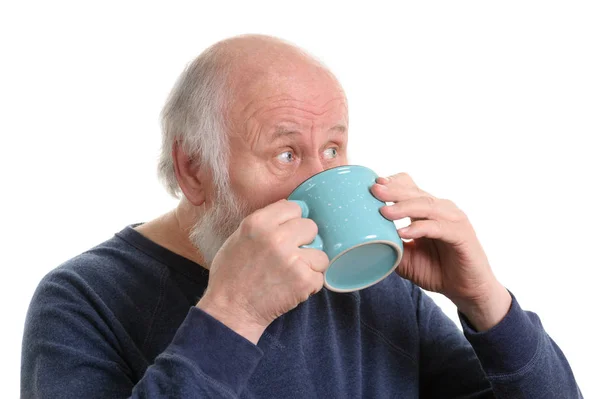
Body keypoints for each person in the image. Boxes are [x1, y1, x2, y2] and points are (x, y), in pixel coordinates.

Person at [21, 34, 582, 398]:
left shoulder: (373, 286)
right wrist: (233, 314)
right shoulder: (81, 298)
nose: (319, 178)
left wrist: (484, 300)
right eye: (285, 153)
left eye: (334, 150)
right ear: (194, 169)